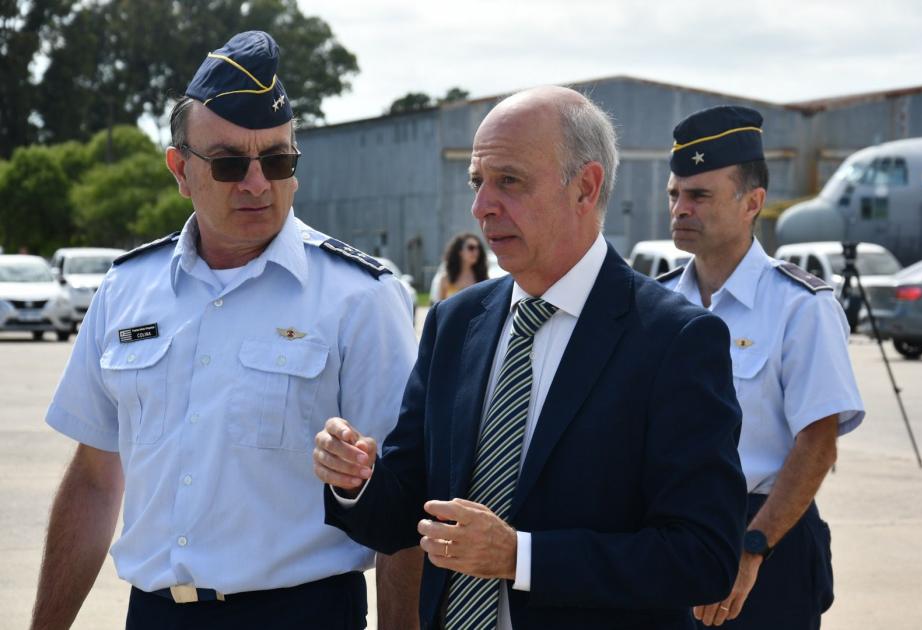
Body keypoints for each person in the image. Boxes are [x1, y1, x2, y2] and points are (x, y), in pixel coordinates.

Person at [314, 85, 747, 630]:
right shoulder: (455, 323)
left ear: (585, 188)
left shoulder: (674, 340)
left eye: (509, 181)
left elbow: (702, 558)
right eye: (478, 182)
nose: (481, 207)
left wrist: (520, 557)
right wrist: (357, 481)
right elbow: (410, 513)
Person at [30, 31, 418, 630]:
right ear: (180, 169)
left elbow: (403, 497)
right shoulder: (127, 289)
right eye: (232, 163)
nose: (258, 183)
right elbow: (94, 477)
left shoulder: (361, 298)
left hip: (300, 614)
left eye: (278, 160)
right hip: (154, 614)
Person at [659, 105, 865, 629]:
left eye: (699, 195)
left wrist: (751, 550)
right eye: (674, 194)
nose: (681, 208)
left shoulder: (801, 306)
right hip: (668, 534)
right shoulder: (656, 305)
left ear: (753, 202)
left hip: (766, 540)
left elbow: (816, 444)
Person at [429, 233, 489, 303]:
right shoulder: (445, 279)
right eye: (471, 248)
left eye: (478, 248)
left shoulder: (484, 278)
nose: (476, 252)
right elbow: (440, 309)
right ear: (460, 252)